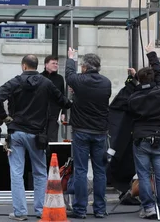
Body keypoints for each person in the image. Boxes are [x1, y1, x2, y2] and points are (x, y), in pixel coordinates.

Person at [0, 55, 72, 221]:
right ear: (37, 66)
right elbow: (64, 102)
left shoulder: (15, 82)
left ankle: (20, 212)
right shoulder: (46, 83)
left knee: (16, 172)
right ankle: (41, 210)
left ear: (24, 66)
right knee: (40, 173)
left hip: (17, 131)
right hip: (37, 134)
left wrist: (5, 117)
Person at [65, 49, 112, 219]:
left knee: (81, 170)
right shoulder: (106, 82)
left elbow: (69, 74)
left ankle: (80, 209)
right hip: (100, 132)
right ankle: (100, 209)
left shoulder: (79, 80)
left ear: (84, 67)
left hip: (81, 131)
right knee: (100, 171)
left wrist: (71, 58)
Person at [128, 42, 160, 220]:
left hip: (141, 138)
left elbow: (140, 91)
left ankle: (149, 208)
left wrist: (135, 81)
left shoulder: (134, 98)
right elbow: (159, 75)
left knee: (144, 175)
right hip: (159, 137)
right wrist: (151, 54)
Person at [41, 55, 67, 142]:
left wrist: (63, 112)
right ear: (46, 65)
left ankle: (51, 155)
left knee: (52, 137)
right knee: (41, 136)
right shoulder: (39, 77)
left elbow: (62, 96)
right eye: (53, 63)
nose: (56, 65)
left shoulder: (59, 78)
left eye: (57, 63)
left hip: (54, 112)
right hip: (41, 112)